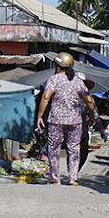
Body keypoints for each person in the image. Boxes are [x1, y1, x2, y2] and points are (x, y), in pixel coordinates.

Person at [36, 52, 96, 186]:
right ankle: (72, 178)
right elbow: (89, 101)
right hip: (75, 121)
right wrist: (92, 116)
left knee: (53, 149)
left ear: (57, 66)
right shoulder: (77, 81)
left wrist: (40, 116)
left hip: (56, 120)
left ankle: (55, 179)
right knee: (74, 149)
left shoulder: (54, 79)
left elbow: (45, 97)